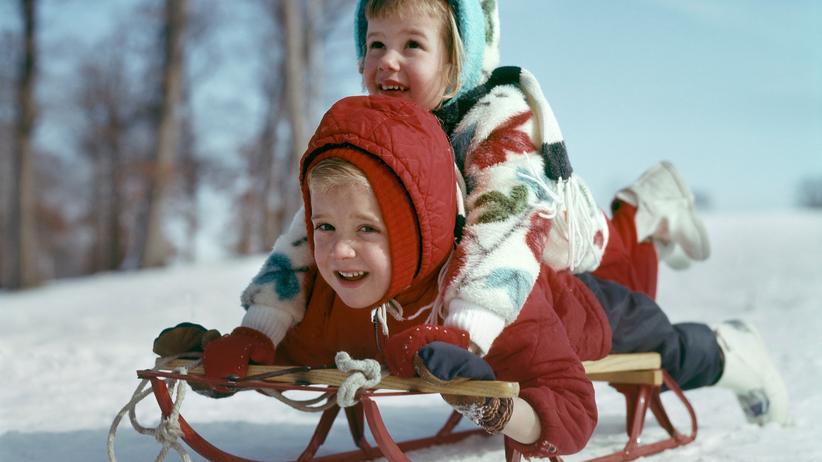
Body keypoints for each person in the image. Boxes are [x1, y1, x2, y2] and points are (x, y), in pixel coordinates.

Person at [197, 0, 787, 450]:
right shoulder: (374, 136)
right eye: (375, 43)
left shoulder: (495, 120)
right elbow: (310, 233)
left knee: (648, 332)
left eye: (411, 44)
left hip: (554, 255)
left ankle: (731, 343)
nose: (387, 60)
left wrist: (464, 337)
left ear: (456, 60)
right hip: (520, 284)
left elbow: (503, 233)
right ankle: (645, 206)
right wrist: (261, 327)